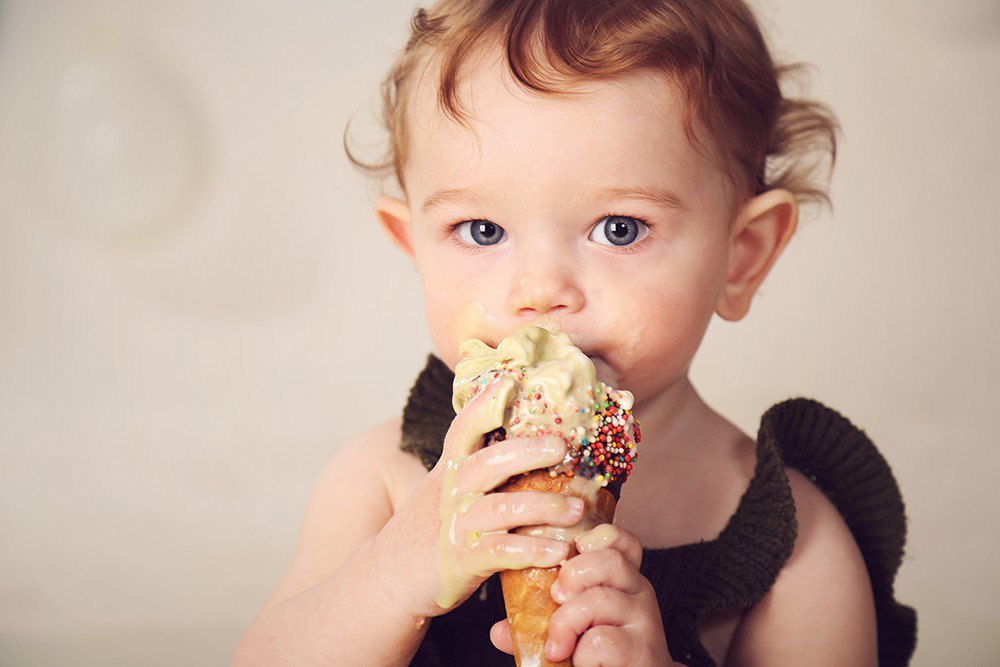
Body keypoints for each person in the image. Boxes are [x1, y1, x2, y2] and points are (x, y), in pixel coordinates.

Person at [235, 1, 916, 664]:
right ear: (412, 244)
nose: (540, 289)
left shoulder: (797, 544)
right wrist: (390, 577)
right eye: (482, 231)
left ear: (740, 256)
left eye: (619, 229)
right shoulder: (384, 481)